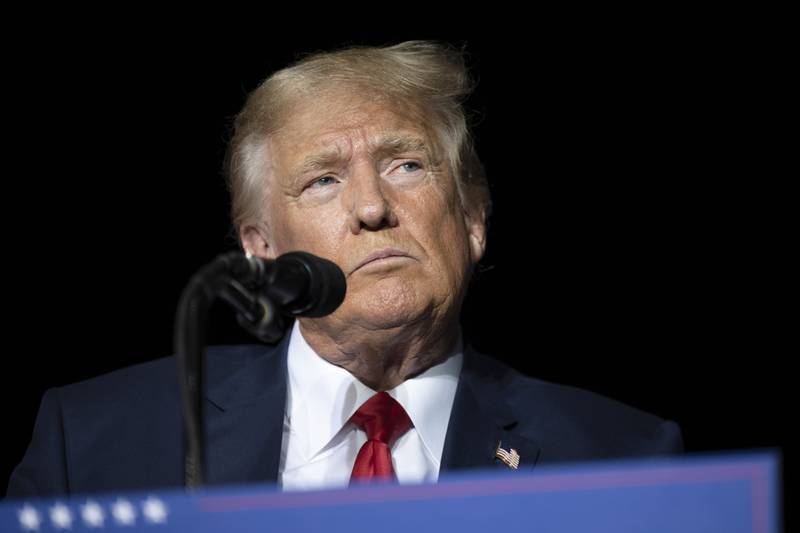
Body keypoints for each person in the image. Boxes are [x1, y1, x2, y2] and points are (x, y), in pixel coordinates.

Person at [7, 41, 682, 498]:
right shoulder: (94, 441)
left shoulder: (624, 460)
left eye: (406, 164)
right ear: (261, 249)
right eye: (324, 180)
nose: (370, 206)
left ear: (473, 219)